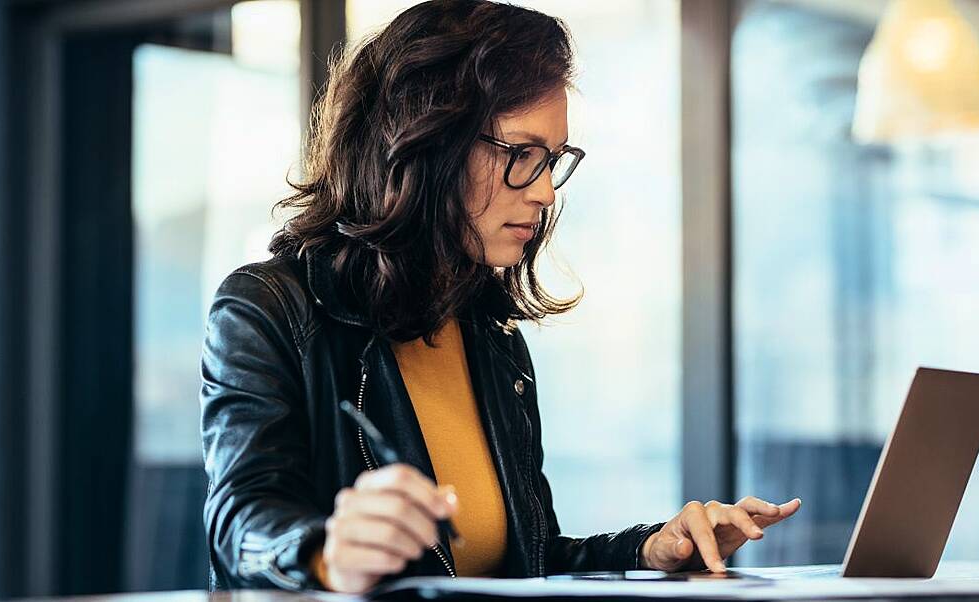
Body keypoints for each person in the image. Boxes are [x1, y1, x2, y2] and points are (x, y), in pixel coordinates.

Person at [199, 0, 800, 594]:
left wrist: (652, 549)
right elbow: (240, 525)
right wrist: (328, 555)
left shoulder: (489, 332)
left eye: (552, 160)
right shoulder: (266, 310)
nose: (543, 192)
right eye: (520, 155)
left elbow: (526, 563)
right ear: (425, 141)